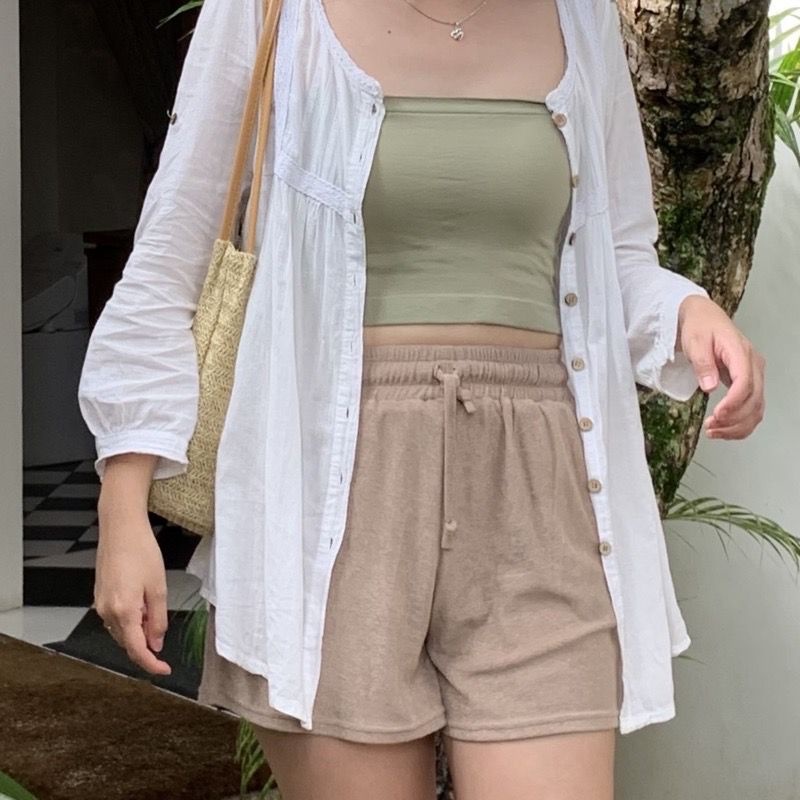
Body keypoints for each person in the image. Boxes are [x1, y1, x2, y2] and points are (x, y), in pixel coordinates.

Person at [78, 0, 766, 797]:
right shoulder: (271, 12)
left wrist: (685, 311)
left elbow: (616, 255)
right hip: (329, 501)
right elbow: (170, 258)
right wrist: (122, 505)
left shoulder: (581, 19)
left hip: (540, 498)